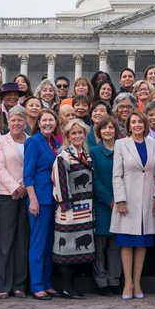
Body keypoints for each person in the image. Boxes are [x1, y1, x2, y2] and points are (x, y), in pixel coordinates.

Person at [112, 111, 155, 300]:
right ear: (128, 125)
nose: (137, 125)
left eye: (140, 122)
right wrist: (120, 199)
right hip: (128, 200)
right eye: (133, 122)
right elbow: (116, 174)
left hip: (147, 201)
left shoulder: (154, 144)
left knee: (142, 243)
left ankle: (138, 283)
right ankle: (127, 284)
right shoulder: (121, 144)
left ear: (145, 124)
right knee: (126, 242)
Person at [51, 119, 96, 299]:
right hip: (70, 210)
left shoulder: (87, 154)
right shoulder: (63, 156)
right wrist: (66, 206)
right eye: (74, 133)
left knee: (78, 251)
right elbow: (60, 183)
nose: (77, 136)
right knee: (67, 248)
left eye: (80, 133)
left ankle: (72, 286)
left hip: (86, 208)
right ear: (68, 137)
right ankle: (67, 286)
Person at [0, 105, 30, 298]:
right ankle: (3, 285)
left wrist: (24, 188)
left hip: (27, 195)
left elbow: (32, 166)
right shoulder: (0, 141)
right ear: (8, 122)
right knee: (6, 241)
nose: (16, 123)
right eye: (13, 120)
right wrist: (15, 188)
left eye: (20, 120)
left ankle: (19, 284)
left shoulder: (30, 141)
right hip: (7, 195)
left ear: (26, 122)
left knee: (22, 240)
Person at [24, 108, 62, 299]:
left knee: (49, 244)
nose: (48, 123)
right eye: (44, 120)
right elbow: (28, 174)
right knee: (38, 243)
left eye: (51, 120)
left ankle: (46, 282)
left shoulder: (55, 142)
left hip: (54, 199)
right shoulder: (33, 141)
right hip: (39, 199)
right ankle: (36, 285)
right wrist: (32, 199)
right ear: (38, 123)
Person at [89, 116, 122, 295]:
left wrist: (120, 199)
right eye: (104, 128)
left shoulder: (122, 149)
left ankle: (114, 279)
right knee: (100, 244)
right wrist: (108, 199)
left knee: (115, 245)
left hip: (121, 203)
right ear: (99, 132)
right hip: (102, 204)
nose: (108, 130)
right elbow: (93, 180)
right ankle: (101, 281)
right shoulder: (94, 152)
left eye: (111, 128)